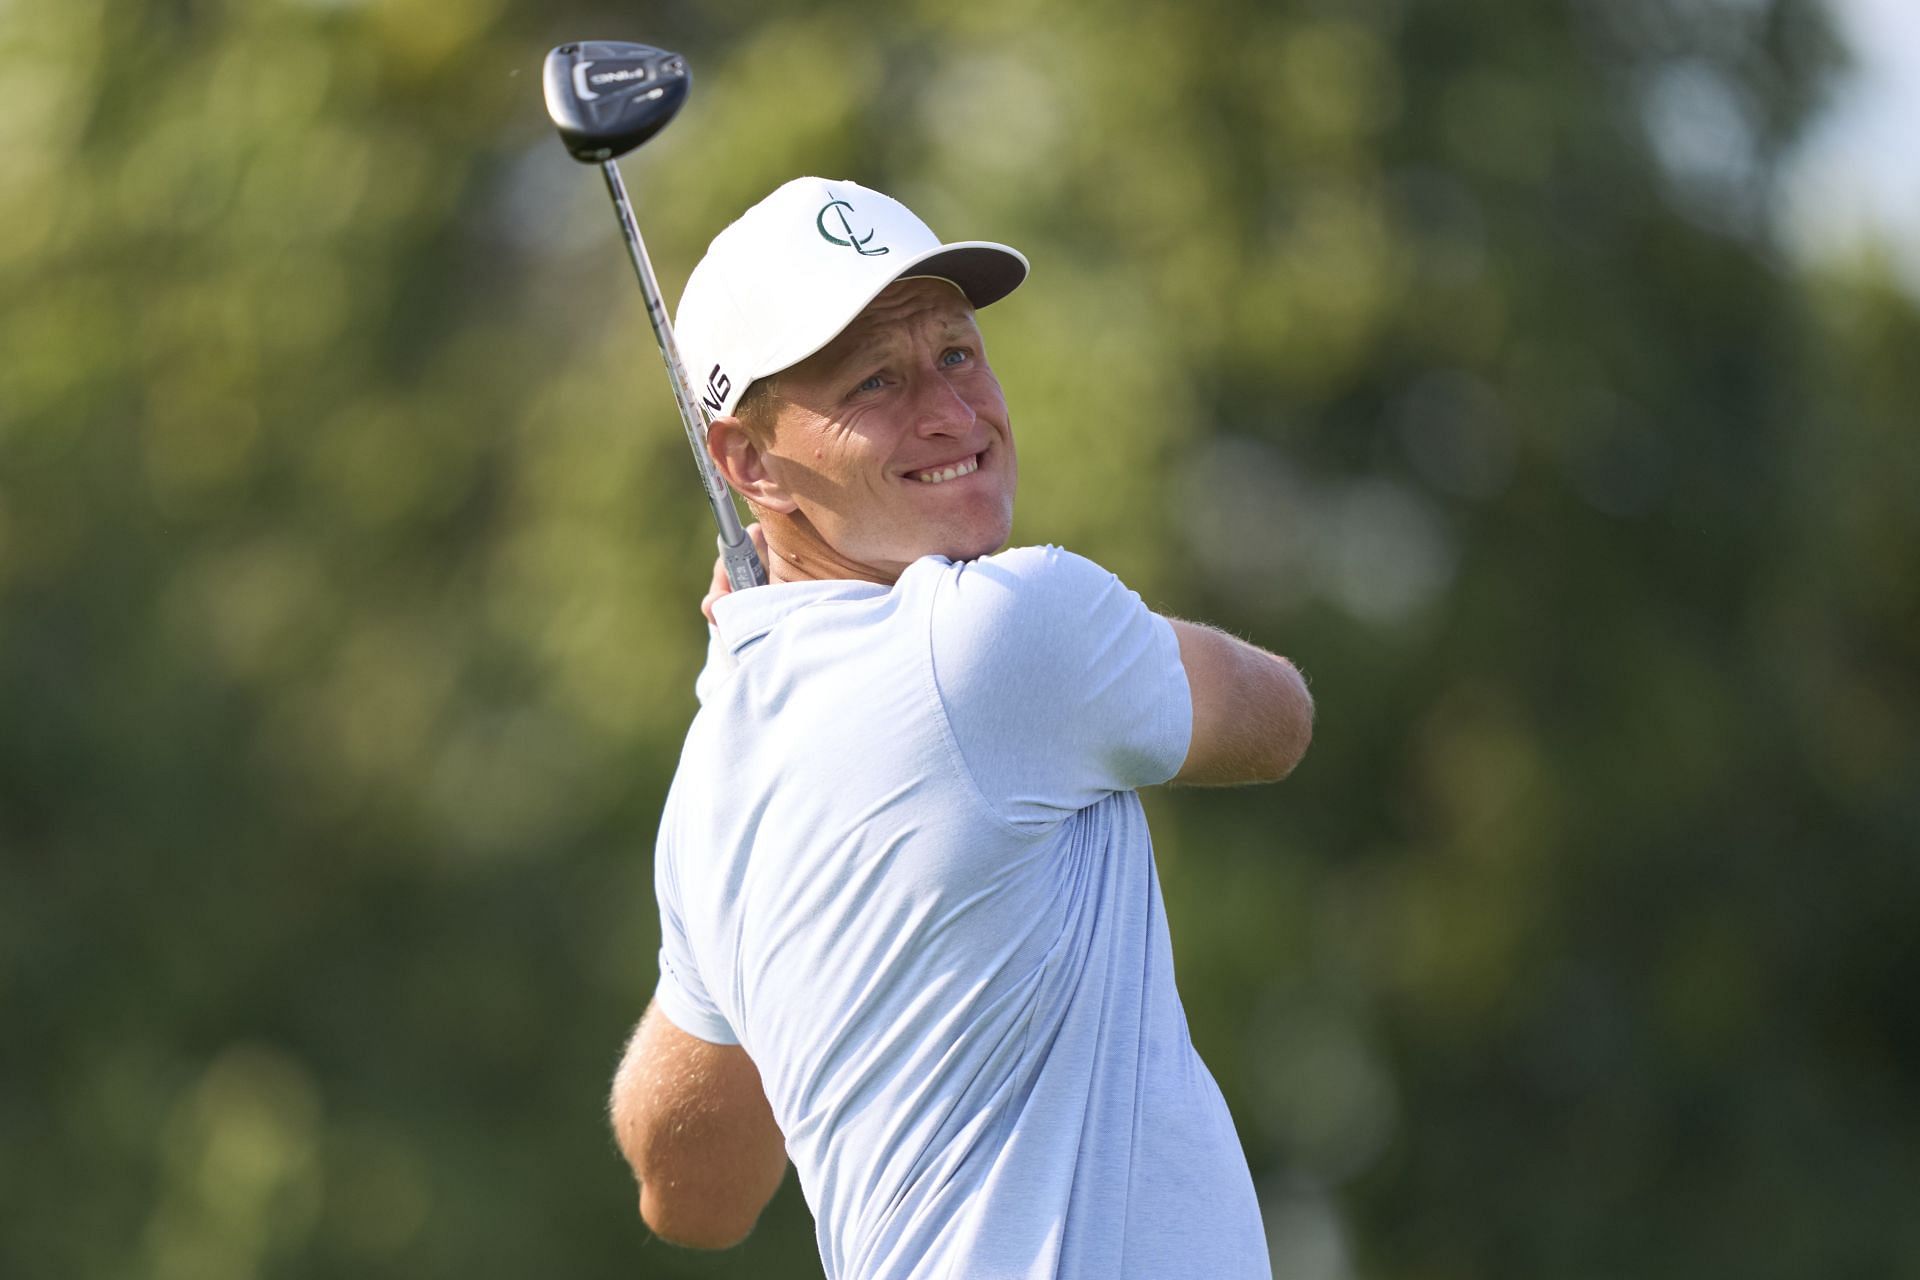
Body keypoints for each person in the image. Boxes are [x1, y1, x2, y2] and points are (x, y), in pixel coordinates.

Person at [607, 176, 1313, 1279]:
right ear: (746, 461)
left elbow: (690, 1190)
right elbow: (1277, 716)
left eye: (956, 353)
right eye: (874, 381)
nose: (950, 413)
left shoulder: (713, 785)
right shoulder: (1014, 631)